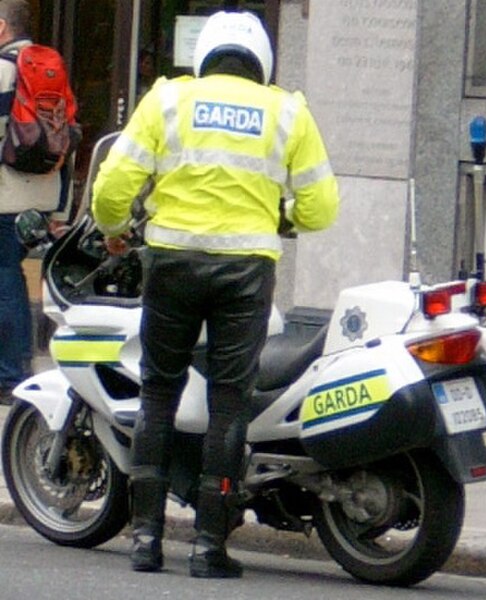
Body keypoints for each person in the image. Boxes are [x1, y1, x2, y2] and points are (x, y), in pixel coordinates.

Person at [91, 10, 339, 578]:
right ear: (262, 62)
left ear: (205, 54)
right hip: (246, 272)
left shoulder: (167, 101)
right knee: (230, 403)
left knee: (158, 394)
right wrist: (288, 216)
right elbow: (321, 208)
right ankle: (209, 547)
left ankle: (146, 540)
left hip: (172, 265)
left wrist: (111, 226)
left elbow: (113, 187)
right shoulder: (288, 112)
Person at [0, 0, 71, 404]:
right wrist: (60, 207)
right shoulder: (48, 69)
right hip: (43, 194)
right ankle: (17, 367)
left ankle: (12, 373)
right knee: (18, 278)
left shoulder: (5, 69)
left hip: (7, 194)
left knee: (6, 278)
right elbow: (66, 137)